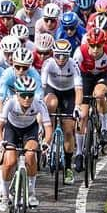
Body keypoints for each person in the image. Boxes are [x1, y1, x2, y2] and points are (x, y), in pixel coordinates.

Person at [0, 73, 52, 212]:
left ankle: (31, 193)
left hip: (29, 130)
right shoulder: (10, 102)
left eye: (30, 95)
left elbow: (48, 127)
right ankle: (4, 193)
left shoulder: (38, 103)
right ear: (17, 94)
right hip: (11, 129)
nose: (27, 98)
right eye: (24, 95)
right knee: (9, 161)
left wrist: (46, 142)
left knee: (31, 156)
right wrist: (1, 141)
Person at [41, 38, 84, 183]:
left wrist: (77, 107)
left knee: (68, 129)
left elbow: (78, 89)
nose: (60, 59)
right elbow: (42, 87)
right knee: (51, 104)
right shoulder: (48, 63)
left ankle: (67, 168)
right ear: (53, 54)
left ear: (69, 55)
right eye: (57, 55)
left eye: (64, 55)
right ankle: (49, 136)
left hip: (69, 93)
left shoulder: (73, 65)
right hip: (52, 90)